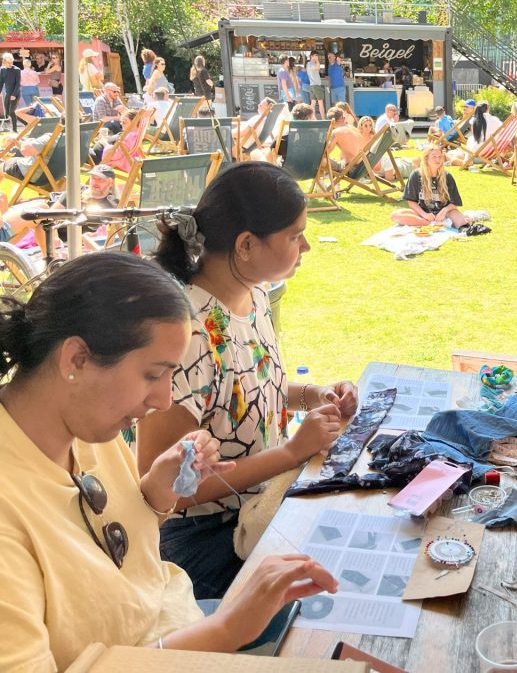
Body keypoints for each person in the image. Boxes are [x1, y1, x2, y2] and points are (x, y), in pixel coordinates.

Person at [0, 252, 339, 670]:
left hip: (172, 624)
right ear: (77, 360)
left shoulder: (86, 426)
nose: (163, 400)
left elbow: (116, 551)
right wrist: (224, 632)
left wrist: (155, 493)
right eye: (152, 374)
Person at [138, 164, 358, 599]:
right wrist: (294, 451)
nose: (307, 246)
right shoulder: (187, 334)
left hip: (257, 509)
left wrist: (313, 395)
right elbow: (171, 489)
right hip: (199, 541)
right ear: (245, 245)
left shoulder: (252, 296)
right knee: (339, 584)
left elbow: (246, 393)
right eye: (295, 236)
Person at [391, 146, 468, 227]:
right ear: (426, 158)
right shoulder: (416, 175)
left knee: (462, 223)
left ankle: (439, 223)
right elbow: (411, 201)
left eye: (440, 157)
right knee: (395, 215)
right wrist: (424, 215)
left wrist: (444, 211)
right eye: (434, 157)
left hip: (445, 214)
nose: (437, 160)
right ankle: (428, 224)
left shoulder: (447, 176)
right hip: (423, 213)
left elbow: (455, 203)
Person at [0, 53, 22, 131]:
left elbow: (18, 83)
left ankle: (15, 129)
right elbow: (1, 82)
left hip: (15, 93)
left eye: (11, 62)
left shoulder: (17, 70)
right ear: (4, 62)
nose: (10, 64)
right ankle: (6, 128)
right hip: (7, 93)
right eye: (8, 62)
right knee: (7, 113)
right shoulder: (2, 69)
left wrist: (14, 95)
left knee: (11, 111)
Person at [306, 52, 325, 119]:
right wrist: (317, 60)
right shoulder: (311, 64)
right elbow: (317, 67)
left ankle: (312, 119)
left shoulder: (308, 64)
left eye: (317, 55)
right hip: (316, 85)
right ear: (311, 56)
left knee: (313, 104)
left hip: (311, 85)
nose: (316, 57)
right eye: (315, 55)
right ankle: (323, 119)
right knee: (320, 103)